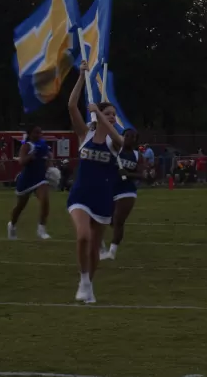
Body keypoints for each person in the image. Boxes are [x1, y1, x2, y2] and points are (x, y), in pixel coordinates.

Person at [66, 61, 123, 304]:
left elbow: (120, 140)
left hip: (103, 197)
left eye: (113, 114)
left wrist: (100, 114)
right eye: (107, 113)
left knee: (94, 247)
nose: (111, 117)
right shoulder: (85, 134)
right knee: (83, 237)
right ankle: (83, 280)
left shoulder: (114, 141)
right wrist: (81, 76)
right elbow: (71, 106)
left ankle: (88, 284)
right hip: (81, 194)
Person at [101, 128, 144, 261]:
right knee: (104, 219)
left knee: (118, 220)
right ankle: (100, 247)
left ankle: (112, 252)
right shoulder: (114, 151)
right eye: (127, 136)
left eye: (133, 137)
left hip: (127, 191)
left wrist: (128, 174)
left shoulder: (137, 155)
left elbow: (141, 174)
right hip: (110, 189)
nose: (129, 139)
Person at [8, 125, 52, 240]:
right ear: (30, 134)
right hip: (26, 180)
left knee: (45, 201)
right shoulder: (27, 146)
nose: (38, 135)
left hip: (40, 179)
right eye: (36, 132)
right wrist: (30, 157)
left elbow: (48, 157)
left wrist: (50, 168)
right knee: (20, 206)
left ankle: (41, 229)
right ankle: (12, 225)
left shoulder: (43, 144)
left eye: (40, 132)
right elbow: (21, 161)